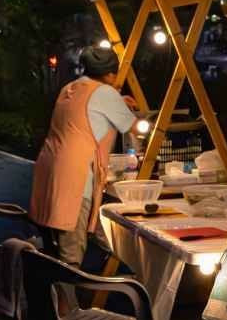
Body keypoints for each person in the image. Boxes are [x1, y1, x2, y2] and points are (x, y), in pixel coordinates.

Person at [30, 47, 144, 265]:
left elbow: (89, 111)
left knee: (60, 246)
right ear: (110, 74)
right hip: (74, 178)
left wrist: (118, 102)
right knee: (71, 254)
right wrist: (154, 125)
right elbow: (135, 127)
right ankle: (67, 289)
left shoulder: (70, 88)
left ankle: (66, 289)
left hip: (50, 169)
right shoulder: (105, 93)